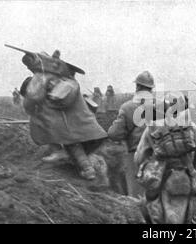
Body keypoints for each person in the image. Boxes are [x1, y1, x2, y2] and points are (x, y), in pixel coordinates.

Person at [19, 49, 108, 180]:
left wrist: (35, 104)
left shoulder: (59, 81)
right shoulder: (68, 82)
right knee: (71, 142)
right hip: (88, 132)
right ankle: (80, 165)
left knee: (70, 141)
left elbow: (34, 98)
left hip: (74, 130)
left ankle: (74, 161)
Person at [134, 95, 196, 224]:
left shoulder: (152, 128)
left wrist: (151, 158)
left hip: (162, 180)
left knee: (146, 204)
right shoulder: (189, 126)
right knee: (195, 211)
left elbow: (138, 158)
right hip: (188, 179)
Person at [108, 71, 155, 197]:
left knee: (137, 199)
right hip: (160, 156)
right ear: (151, 89)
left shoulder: (128, 107)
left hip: (136, 157)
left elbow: (114, 134)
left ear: (137, 87)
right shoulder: (161, 106)